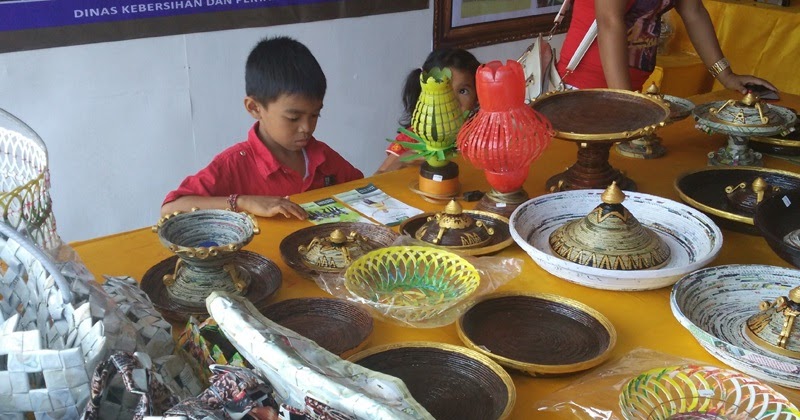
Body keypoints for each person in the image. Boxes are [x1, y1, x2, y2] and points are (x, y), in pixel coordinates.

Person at [161, 36, 364, 219]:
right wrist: (243, 202)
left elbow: (360, 189)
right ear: (255, 108)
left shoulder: (321, 157)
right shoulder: (234, 165)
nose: (306, 127)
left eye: (315, 115)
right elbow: (171, 208)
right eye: (293, 118)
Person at [556, 0, 777, 94]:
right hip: (585, 89)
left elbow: (693, 12)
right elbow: (609, 21)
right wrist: (625, 102)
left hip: (627, 91)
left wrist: (726, 75)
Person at [374, 48, 481, 175]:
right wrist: (402, 161)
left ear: (477, 98)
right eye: (443, 89)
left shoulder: (482, 138)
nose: (451, 100)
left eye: (463, 91)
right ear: (425, 94)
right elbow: (377, 178)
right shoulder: (413, 138)